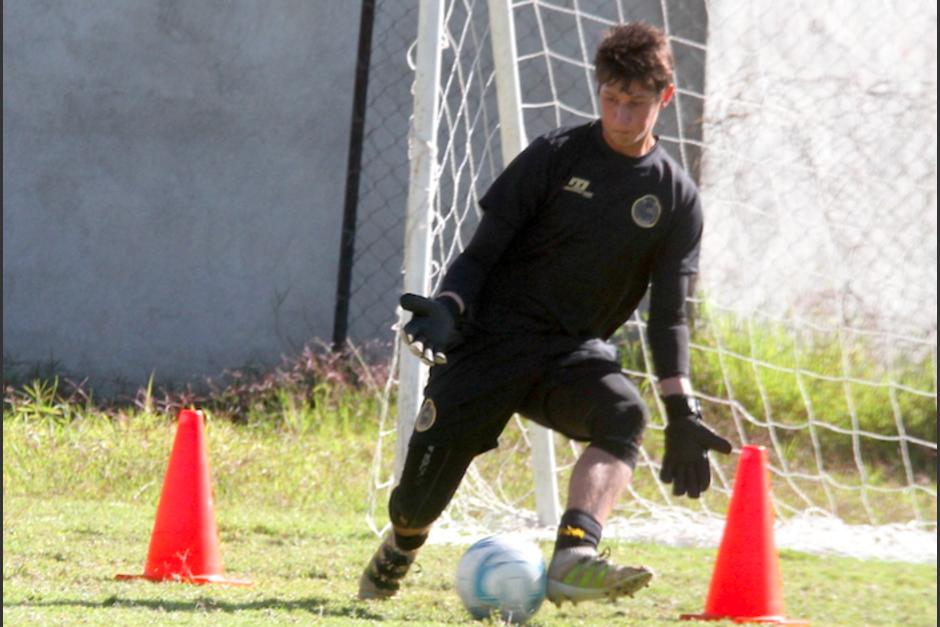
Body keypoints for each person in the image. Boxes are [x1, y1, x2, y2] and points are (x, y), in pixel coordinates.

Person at [358, 21, 732, 606]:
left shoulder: (676, 198)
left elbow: (668, 318)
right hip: (489, 344)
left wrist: (682, 410)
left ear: (665, 98)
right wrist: (448, 307)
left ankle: (574, 556)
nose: (622, 118)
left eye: (637, 104)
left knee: (624, 413)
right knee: (414, 506)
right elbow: (482, 252)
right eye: (611, 100)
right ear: (598, 89)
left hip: (569, 354)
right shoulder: (555, 157)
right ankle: (400, 546)